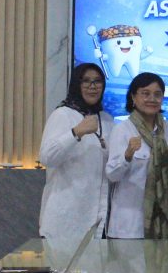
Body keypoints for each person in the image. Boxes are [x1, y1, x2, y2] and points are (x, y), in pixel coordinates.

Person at [38, 63, 114, 245]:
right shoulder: (63, 114)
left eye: (97, 81)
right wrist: (76, 133)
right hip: (66, 219)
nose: (92, 86)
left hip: (98, 220)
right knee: (66, 266)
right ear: (76, 85)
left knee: (94, 265)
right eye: (86, 81)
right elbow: (47, 157)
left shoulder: (106, 120)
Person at [105, 73, 168, 239]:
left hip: (165, 222)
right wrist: (127, 156)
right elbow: (112, 175)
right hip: (130, 225)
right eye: (145, 93)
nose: (152, 99)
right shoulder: (122, 129)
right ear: (133, 97)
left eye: (157, 94)